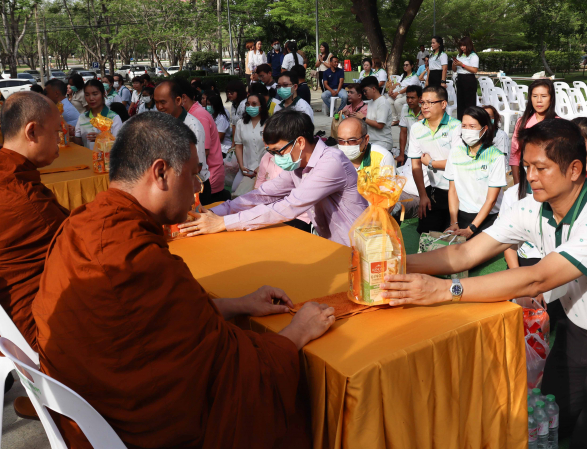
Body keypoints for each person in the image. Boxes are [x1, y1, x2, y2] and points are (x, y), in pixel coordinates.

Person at [32, 111, 335, 447]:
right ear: (161, 173)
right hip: (137, 428)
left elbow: (164, 324)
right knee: (290, 399)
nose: (196, 188)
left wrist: (238, 304)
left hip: (86, 407)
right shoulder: (133, 257)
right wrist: (296, 334)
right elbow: (227, 364)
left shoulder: (80, 222)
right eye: (192, 175)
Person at [382, 118, 587, 449]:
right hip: (576, 331)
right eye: (527, 166)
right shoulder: (532, 207)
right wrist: (393, 264)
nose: (530, 176)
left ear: (574, 169)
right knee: (549, 421)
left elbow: (537, 279)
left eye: (541, 168)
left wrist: (444, 290)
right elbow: (464, 254)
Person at [0, 91, 68, 353]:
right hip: (25, 328)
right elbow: (79, 243)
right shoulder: (20, 196)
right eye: (56, 132)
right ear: (31, 132)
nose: (59, 140)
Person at [178, 111, 368, 247]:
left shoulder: (331, 162)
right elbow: (263, 194)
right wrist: (215, 212)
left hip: (359, 246)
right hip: (335, 245)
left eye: (278, 151)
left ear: (300, 142)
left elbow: (289, 206)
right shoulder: (298, 164)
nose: (276, 158)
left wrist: (223, 223)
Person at [407, 85, 462, 234]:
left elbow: (458, 164)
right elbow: (415, 164)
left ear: (443, 104)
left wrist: (431, 163)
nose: (424, 106)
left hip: (458, 191)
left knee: (454, 237)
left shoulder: (456, 127)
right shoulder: (417, 128)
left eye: (430, 103)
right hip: (433, 190)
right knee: (426, 234)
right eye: (422, 102)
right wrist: (422, 196)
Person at [445, 106, 505, 239]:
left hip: (487, 218)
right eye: (464, 126)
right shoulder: (455, 152)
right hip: (461, 216)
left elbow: (491, 200)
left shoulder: (496, 156)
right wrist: (454, 222)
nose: (467, 130)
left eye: (472, 126)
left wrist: (471, 228)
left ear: (484, 129)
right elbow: (453, 190)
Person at [154, 80, 208, 186]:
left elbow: (196, 166)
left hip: (193, 186)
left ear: (178, 100)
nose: (159, 107)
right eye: (156, 102)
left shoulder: (192, 126)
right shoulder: (160, 123)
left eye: (163, 102)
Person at [182, 84, 228, 204]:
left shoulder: (199, 115)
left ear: (182, 98)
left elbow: (204, 151)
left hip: (208, 175)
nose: (159, 107)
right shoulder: (191, 114)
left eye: (164, 102)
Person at [510, 79, 556, 182]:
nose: (539, 100)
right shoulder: (522, 123)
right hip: (527, 178)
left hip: (550, 180)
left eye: (543, 96)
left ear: (551, 98)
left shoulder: (559, 124)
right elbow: (515, 154)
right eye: (535, 96)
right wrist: (517, 183)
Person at [71, 79, 122, 150]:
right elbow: (79, 142)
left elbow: (119, 145)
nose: (91, 98)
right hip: (87, 156)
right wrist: (70, 133)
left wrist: (102, 139)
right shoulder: (82, 117)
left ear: (103, 94)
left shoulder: (114, 118)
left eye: (95, 94)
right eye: (87, 95)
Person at [232, 92, 267, 194]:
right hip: (247, 168)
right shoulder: (241, 123)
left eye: (254, 104)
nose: (250, 106)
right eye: (248, 104)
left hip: (265, 168)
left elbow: (272, 149)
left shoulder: (269, 123)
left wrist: (261, 167)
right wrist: (241, 165)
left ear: (261, 106)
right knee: (235, 190)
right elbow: (238, 146)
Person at [360, 76, 392, 152]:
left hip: (382, 143)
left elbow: (380, 125)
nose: (364, 93)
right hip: (372, 142)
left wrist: (363, 118)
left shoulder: (382, 102)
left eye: (365, 91)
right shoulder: (371, 102)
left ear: (373, 89)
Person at [451, 36, 479, 116]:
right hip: (460, 78)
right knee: (460, 102)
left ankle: (470, 119)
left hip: (469, 79)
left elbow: (475, 70)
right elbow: (454, 70)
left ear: (468, 45)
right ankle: (461, 119)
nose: (462, 47)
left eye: (464, 45)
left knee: (469, 102)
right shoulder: (459, 55)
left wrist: (462, 65)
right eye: (461, 46)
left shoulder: (473, 56)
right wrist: (454, 64)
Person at [396, 85, 422, 165]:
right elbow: (403, 132)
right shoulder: (405, 108)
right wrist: (401, 154)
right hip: (410, 151)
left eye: (412, 98)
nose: (409, 101)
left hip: (424, 152)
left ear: (420, 98)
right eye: (407, 98)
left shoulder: (426, 110)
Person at [387, 60, 420, 125]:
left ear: (412, 66)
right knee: (389, 101)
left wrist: (397, 93)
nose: (405, 66)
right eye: (404, 65)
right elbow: (397, 84)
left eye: (407, 65)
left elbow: (408, 88)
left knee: (397, 102)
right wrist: (391, 89)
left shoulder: (414, 76)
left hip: (410, 95)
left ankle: (403, 120)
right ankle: (395, 119)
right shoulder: (403, 75)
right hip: (401, 93)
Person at [482, 104, 511, 169]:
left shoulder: (501, 135)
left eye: (490, 116)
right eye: (484, 116)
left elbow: (502, 160)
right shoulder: (477, 134)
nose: (487, 119)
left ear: (495, 118)